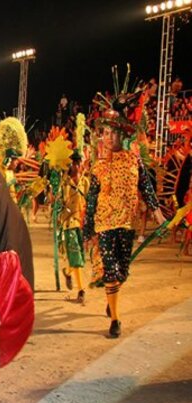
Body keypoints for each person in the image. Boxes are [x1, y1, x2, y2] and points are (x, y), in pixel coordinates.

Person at [83, 109, 165, 338]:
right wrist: (88, 231)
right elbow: (91, 200)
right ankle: (116, 319)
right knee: (111, 269)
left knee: (122, 272)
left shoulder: (133, 160)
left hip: (128, 223)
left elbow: (146, 189)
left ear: (122, 135)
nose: (108, 137)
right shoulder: (98, 166)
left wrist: (159, 216)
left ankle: (113, 297)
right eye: (105, 133)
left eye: (112, 133)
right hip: (104, 223)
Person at [60, 152, 89, 303]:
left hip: (81, 221)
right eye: (74, 163)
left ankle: (67, 271)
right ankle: (81, 290)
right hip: (68, 222)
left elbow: (89, 202)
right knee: (76, 254)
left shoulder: (85, 181)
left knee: (79, 256)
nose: (77, 166)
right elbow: (57, 201)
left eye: (79, 163)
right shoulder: (63, 182)